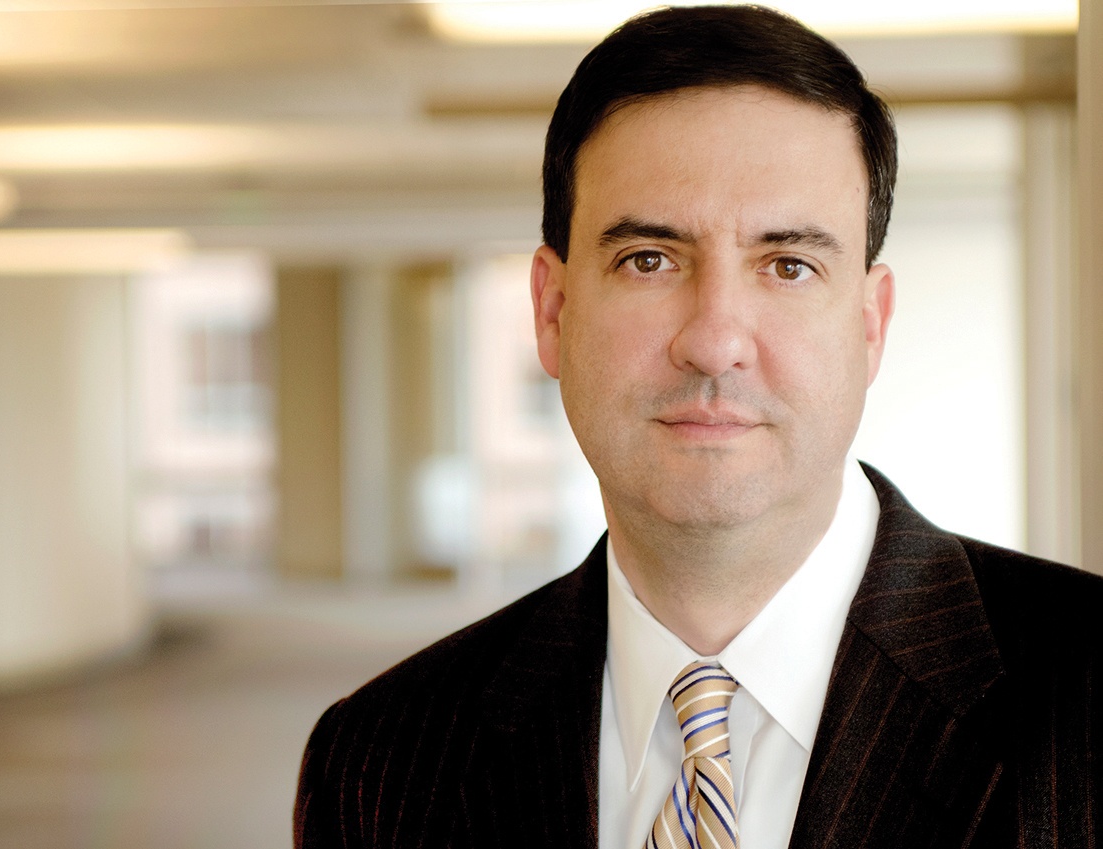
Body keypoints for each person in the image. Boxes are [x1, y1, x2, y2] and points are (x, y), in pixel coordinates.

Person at [294, 6, 1103, 848]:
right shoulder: (381, 761)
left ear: (869, 325)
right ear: (553, 311)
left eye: (787, 265)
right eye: (648, 260)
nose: (714, 341)